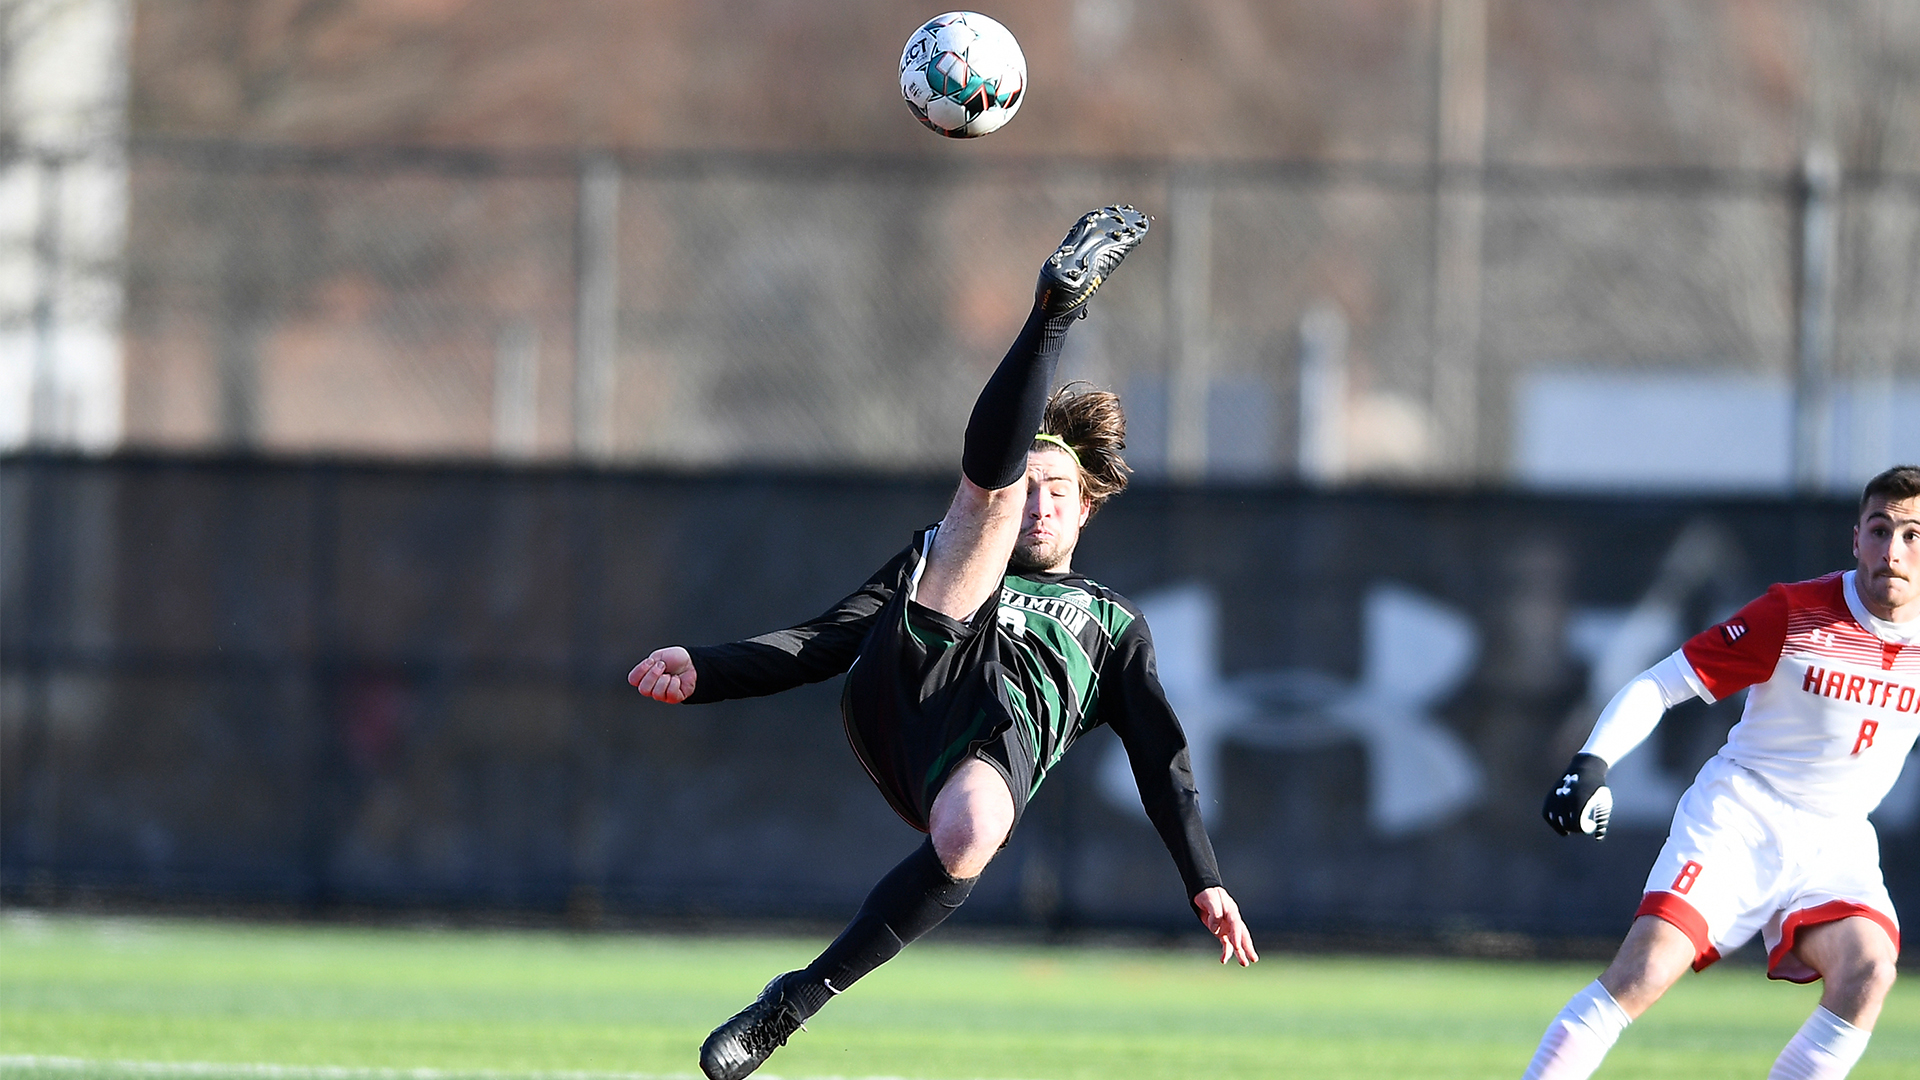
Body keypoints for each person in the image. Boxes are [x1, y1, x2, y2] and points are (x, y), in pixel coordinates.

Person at [629, 206, 1258, 1080]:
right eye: (1030, 481)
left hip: (979, 757)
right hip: (906, 687)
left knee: (972, 833)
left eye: (1057, 490)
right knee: (976, 522)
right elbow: (829, 638)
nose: (1039, 501)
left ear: (1087, 507)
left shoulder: (1114, 625)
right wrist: (706, 671)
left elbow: (1164, 762)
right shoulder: (956, 549)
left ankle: (787, 1009)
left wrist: (1205, 878)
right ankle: (1055, 313)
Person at [1525, 464, 1919, 1080]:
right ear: (1856, 539)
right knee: (1644, 972)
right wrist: (1591, 763)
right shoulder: (1795, 613)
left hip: (1838, 839)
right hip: (1741, 816)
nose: (1892, 550)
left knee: (1869, 972)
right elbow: (1660, 685)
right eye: (1879, 530)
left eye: (1913, 535)